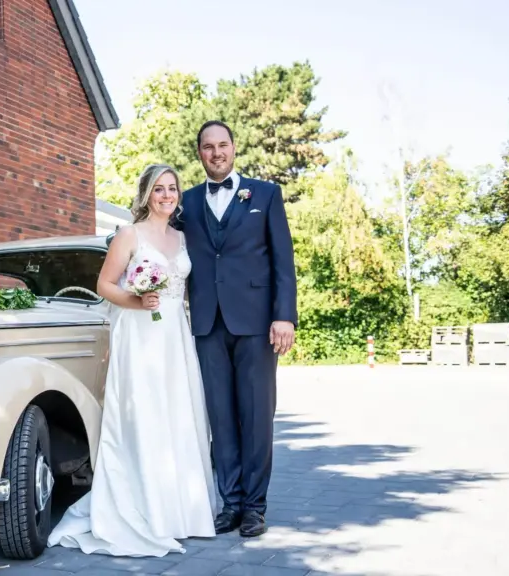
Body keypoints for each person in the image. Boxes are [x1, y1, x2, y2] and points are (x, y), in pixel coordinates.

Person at [46, 164, 219, 557]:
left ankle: (181, 512)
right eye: (159, 189)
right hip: (140, 337)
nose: (167, 195)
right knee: (144, 415)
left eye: (172, 188)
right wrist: (136, 300)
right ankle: (144, 512)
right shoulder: (129, 235)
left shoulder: (183, 237)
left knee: (178, 414)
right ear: (146, 194)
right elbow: (105, 285)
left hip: (174, 336)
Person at [179, 120, 298, 538]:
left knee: (256, 415)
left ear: (234, 148)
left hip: (257, 324)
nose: (216, 153)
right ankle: (229, 503)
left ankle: (254, 507)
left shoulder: (265, 194)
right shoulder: (187, 203)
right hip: (207, 324)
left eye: (223, 145)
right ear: (200, 153)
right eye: (208, 147)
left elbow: (283, 261)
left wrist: (285, 316)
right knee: (220, 417)